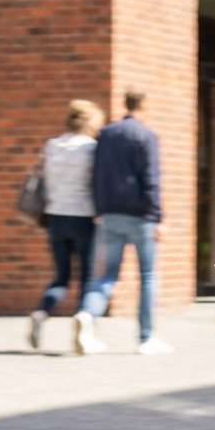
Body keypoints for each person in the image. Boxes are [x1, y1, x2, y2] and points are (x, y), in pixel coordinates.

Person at [73, 89, 173, 356]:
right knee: (149, 276)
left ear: (125, 104)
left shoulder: (105, 134)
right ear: (145, 104)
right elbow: (151, 179)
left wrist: (99, 208)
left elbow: (95, 174)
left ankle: (87, 314)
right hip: (141, 217)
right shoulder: (146, 135)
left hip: (109, 216)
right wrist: (158, 217)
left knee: (105, 276)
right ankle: (147, 338)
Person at [28, 99, 105, 350]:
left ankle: (41, 312)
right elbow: (97, 183)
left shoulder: (53, 145)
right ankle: (84, 323)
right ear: (91, 122)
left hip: (55, 218)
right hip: (83, 217)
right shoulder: (92, 149)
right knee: (87, 277)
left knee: (61, 277)